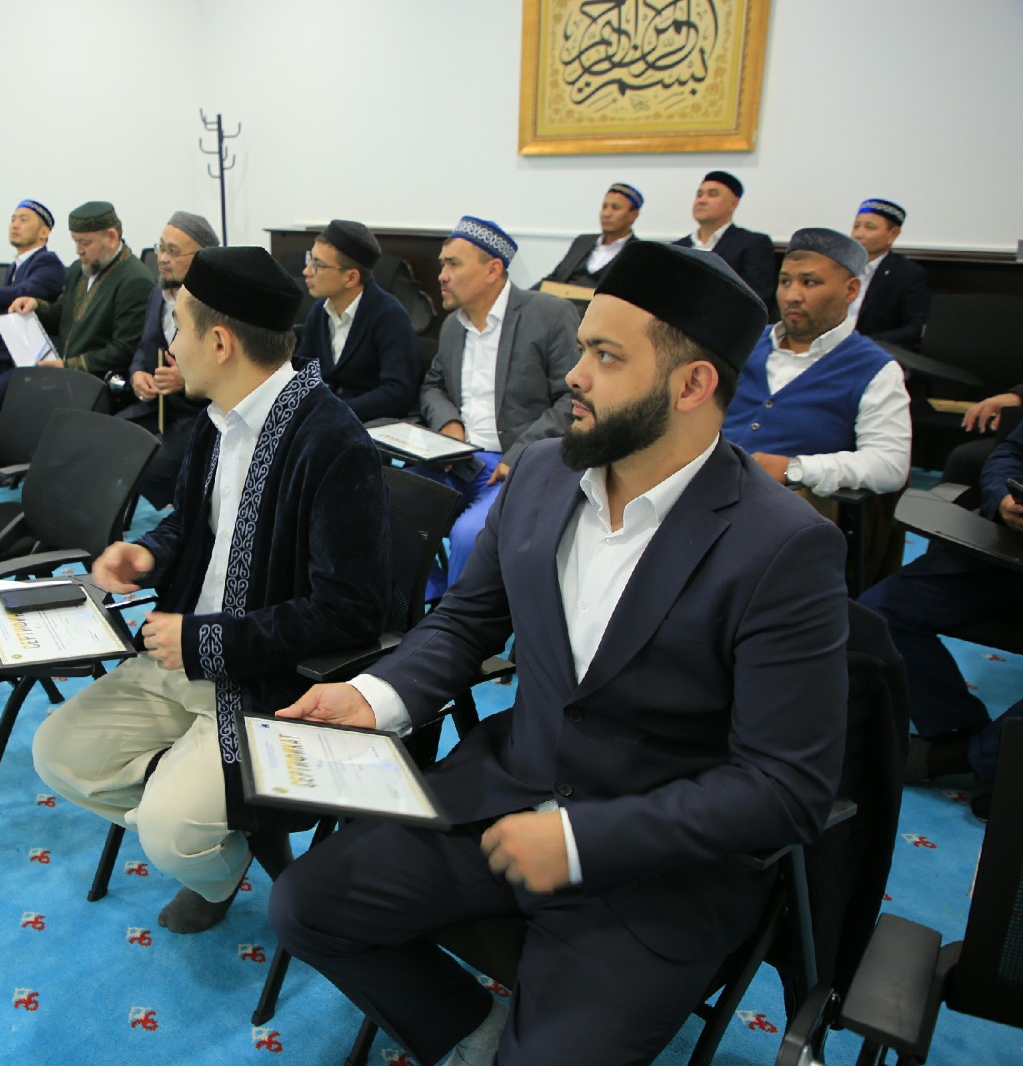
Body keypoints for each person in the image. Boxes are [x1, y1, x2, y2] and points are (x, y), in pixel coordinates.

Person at [269, 240, 848, 1066]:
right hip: (504, 795)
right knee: (305, 906)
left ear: (692, 385)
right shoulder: (542, 473)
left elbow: (785, 788)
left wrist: (581, 840)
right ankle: (471, 1034)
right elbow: (467, 621)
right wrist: (376, 696)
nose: (574, 375)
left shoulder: (782, 547)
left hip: (652, 869)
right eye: (582, 348)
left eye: (606, 357)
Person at [31, 246, 388, 935]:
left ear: (220, 343)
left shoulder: (332, 442)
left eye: (180, 326)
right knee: (58, 753)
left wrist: (206, 642)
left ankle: (210, 846)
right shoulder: (218, 420)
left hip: (266, 685)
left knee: (166, 833)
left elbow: (349, 612)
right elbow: (191, 523)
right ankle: (222, 833)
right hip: (181, 658)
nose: (170, 345)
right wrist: (149, 551)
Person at [860, 418, 1023, 821]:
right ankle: (967, 736)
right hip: (1006, 556)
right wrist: (1004, 499)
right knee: (879, 612)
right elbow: (1010, 453)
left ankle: (963, 757)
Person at [414, 217, 580, 595]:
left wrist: (520, 454)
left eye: (453, 264)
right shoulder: (453, 325)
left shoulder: (549, 314)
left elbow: (573, 397)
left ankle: (457, 622)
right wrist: (449, 424)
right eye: (442, 264)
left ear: (492, 269)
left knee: (469, 535)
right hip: (457, 460)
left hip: (516, 463)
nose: (442, 275)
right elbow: (434, 385)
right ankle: (421, 602)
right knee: (390, 501)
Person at [723, 227, 911, 497]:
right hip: (698, 484)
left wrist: (795, 468)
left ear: (851, 290)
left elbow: (890, 465)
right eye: (785, 282)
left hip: (781, 505)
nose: (792, 296)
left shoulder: (874, 369)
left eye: (809, 283)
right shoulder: (743, 342)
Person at [0, 201, 154, 440]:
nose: (78, 250)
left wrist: (66, 366)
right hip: (65, 377)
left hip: (95, 384)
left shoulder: (134, 280)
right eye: (75, 241)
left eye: (85, 243)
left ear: (111, 237)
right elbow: (63, 313)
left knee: (13, 410)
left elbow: (123, 351)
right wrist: (37, 305)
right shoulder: (80, 269)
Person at [117, 211, 219, 508]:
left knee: (149, 466)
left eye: (173, 252)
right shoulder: (158, 292)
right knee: (106, 442)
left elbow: (234, 373)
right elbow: (143, 347)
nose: (162, 258)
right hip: (156, 408)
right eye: (161, 248)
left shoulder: (216, 306)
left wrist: (187, 379)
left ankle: (187, 514)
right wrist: (138, 374)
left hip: (199, 414)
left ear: (201, 258)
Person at [295, 219, 418, 421]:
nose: (306, 271)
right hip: (323, 420)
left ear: (351, 277)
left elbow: (398, 393)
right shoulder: (320, 311)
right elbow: (302, 374)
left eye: (317, 265)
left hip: (367, 425)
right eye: (309, 259)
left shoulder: (389, 316)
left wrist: (333, 412)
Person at [672, 171, 777, 316]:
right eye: (699, 195)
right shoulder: (677, 247)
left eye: (712, 194)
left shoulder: (752, 243)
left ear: (733, 204)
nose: (702, 200)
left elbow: (757, 299)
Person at [850, 198, 929, 349]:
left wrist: (863, 343)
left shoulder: (908, 274)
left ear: (893, 234)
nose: (858, 234)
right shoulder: (840, 267)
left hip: (872, 350)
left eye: (869, 227)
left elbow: (914, 329)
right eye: (856, 226)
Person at [540, 182, 642, 290]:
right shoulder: (582, 242)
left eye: (615, 208)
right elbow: (554, 278)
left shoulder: (638, 253)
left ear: (633, 215)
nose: (606, 214)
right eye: (604, 207)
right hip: (562, 299)